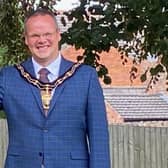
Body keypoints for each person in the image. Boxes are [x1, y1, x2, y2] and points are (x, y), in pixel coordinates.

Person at [0, 8, 110, 168]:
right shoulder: (9, 78)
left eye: (47, 34)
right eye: (35, 35)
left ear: (58, 35)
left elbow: (98, 137)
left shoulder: (85, 77)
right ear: (26, 39)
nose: (41, 40)